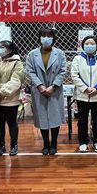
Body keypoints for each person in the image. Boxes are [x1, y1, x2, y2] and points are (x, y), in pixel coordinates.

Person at [26, 28, 67, 156]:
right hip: (39, 90)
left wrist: (53, 86)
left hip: (55, 90)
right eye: (43, 36)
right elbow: (30, 71)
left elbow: (63, 71)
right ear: (39, 38)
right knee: (42, 117)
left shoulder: (60, 53)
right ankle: (45, 144)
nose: (46, 38)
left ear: (54, 38)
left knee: (55, 117)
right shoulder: (32, 54)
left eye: (49, 36)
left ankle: (54, 143)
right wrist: (40, 86)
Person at [71, 36, 97, 153]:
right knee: (82, 120)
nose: (89, 45)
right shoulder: (78, 59)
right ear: (83, 45)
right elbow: (74, 75)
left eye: (92, 43)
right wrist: (85, 88)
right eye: (87, 43)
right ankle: (83, 142)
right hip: (82, 95)